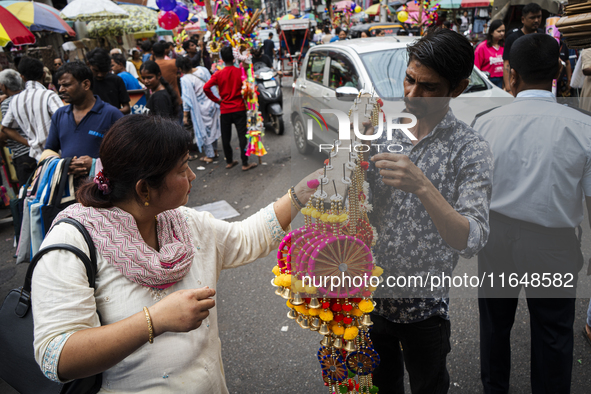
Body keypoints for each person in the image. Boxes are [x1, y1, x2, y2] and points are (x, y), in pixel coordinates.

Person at [30, 113, 319, 393]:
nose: (192, 175)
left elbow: (246, 237)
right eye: (182, 169)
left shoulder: (183, 222)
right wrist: (153, 321)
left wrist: (304, 191)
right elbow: (56, 356)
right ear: (144, 189)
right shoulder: (73, 243)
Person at [364, 28, 492, 394]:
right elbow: (362, 208)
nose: (412, 95)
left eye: (429, 87)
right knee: (380, 386)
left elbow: (471, 239)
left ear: (458, 88)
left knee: (429, 386)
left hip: (425, 310)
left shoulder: (469, 150)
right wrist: (351, 162)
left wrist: (422, 186)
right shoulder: (386, 134)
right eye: (409, 80)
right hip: (370, 299)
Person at [471, 33, 591, 394]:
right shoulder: (584, 127)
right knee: (552, 334)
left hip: (496, 240)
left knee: (494, 327)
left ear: (510, 73)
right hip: (552, 245)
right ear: (559, 69)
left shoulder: (484, 122)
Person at [46, 61, 123, 176]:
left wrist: (94, 164)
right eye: (60, 85)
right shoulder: (59, 115)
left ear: (86, 84)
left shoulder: (111, 114)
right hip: (69, 189)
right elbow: (49, 151)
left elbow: (127, 155)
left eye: (66, 85)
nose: (61, 90)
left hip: (101, 189)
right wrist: (64, 165)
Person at [203, 46, 256, 171]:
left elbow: (206, 87)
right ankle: (244, 163)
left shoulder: (218, 74)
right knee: (242, 136)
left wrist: (217, 100)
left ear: (222, 58)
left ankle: (230, 161)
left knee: (226, 138)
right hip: (239, 108)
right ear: (233, 58)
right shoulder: (240, 72)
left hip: (225, 109)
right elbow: (248, 89)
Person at [0, 57, 63, 161]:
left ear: (22, 77)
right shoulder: (48, 95)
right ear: (43, 74)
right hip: (58, 154)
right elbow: (65, 120)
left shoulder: (15, 100)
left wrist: (30, 143)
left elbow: (5, 128)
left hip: (38, 158)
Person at [176, 56, 220, 163]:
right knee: (213, 128)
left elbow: (186, 100)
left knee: (204, 131)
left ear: (181, 68)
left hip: (200, 109)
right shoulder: (203, 70)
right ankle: (214, 151)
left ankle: (209, 155)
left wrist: (185, 116)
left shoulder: (185, 79)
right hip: (212, 103)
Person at [0, 69, 36, 185]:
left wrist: (27, 142)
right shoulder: (30, 96)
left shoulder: (8, 103)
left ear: (4, 87)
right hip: (38, 150)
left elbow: (5, 131)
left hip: (23, 154)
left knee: (28, 193)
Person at [502, 3, 542, 93]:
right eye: (532, 18)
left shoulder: (542, 36)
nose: (536, 20)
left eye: (539, 17)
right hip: (518, 86)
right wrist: (509, 88)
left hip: (538, 86)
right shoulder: (512, 38)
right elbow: (506, 63)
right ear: (523, 19)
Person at [86, 48, 131, 115]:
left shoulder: (116, 80)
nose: (100, 75)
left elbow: (127, 108)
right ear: (88, 64)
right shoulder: (85, 82)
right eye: (96, 70)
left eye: (104, 71)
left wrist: (111, 113)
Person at [474, 19, 505, 88]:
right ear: (491, 32)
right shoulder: (482, 47)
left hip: (502, 80)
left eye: (503, 31)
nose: (502, 33)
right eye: (499, 31)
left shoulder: (504, 46)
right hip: (487, 80)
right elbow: (476, 67)